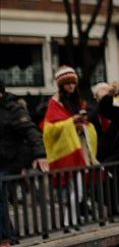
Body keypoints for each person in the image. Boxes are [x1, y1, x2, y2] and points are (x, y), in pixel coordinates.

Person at [42, 67, 99, 228]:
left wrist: (81, 125)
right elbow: (49, 130)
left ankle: (70, 222)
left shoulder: (78, 101)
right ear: (61, 85)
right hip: (67, 153)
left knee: (79, 191)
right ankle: (70, 222)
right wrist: (71, 122)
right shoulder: (55, 103)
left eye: (73, 83)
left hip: (79, 151)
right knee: (74, 191)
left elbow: (84, 125)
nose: (71, 86)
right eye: (67, 83)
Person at [1, 80, 48, 244]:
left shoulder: (14, 109)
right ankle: (9, 235)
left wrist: (40, 154)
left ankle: (6, 237)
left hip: (13, 160)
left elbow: (31, 131)